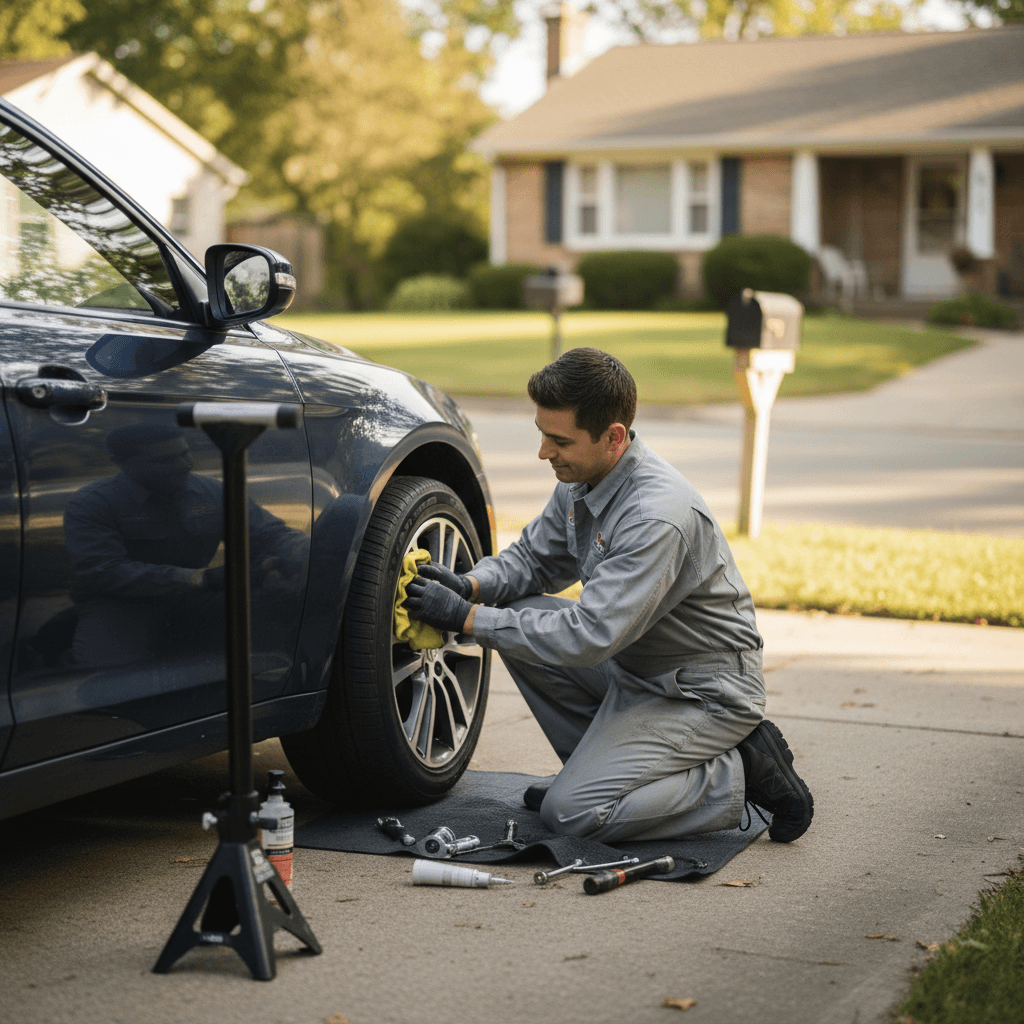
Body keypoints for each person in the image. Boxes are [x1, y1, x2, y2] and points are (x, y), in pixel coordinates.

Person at [406, 347, 813, 844]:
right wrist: (471, 584)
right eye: (542, 434)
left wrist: (467, 619)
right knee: (515, 611)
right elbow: (534, 560)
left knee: (572, 816)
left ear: (613, 437)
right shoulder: (584, 478)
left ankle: (738, 772)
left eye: (559, 440)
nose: (543, 453)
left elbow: (590, 637)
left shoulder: (654, 515)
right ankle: (603, 777)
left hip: (699, 693)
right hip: (635, 667)